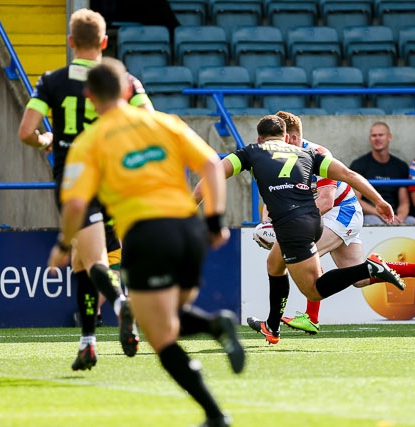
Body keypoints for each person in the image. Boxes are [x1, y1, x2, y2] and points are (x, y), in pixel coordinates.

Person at [47, 57, 244, 427]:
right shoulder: (165, 122)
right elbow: (213, 166)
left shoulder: (89, 141)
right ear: (126, 90)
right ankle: (215, 327)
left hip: (147, 234)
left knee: (161, 335)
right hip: (188, 230)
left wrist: (62, 244)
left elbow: (75, 203)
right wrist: (215, 220)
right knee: (169, 316)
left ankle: (216, 411)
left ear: (90, 98)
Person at [214, 115, 415, 345]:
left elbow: (325, 201)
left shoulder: (315, 153)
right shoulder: (281, 155)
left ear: (291, 137)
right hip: (323, 216)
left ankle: (307, 318)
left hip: (340, 212)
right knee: (357, 279)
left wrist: (284, 223)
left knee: (299, 253)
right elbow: (276, 197)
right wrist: (269, 222)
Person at [18, 8, 152, 370]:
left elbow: (26, 131)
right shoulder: (122, 80)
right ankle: (88, 342)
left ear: (70, 41)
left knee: (91, 259)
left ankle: (122, 303)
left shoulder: (52, 81)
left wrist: (47, 138)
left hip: (76, 179)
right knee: (81, 259)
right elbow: (149, 121)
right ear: (105, 42)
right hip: (115, 178)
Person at [349, 122, 415, 226]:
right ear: (370, 139)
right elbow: (356, 200)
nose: (377, 138)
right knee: (374, 223)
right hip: (371, 215)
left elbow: (404, 202)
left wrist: (400, 217)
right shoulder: (359, 165)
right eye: (374, 135)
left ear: (389, 137)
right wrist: (380, 214)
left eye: (381, 135)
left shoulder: (400, 166)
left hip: (395, 215)